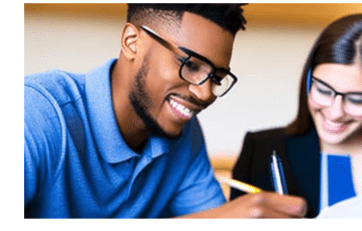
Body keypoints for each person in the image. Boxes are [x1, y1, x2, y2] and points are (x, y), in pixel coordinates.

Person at [24, 3, 307, 218]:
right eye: (191, 65)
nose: (205, 93)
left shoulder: (185, 135)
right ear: (131, 42)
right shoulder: (34, 113)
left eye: (217, 78)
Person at [231, 13, 362, 218]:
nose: (335, 113)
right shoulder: (260, 150)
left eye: (355, 99)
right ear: (308, 79)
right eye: (324, 91)